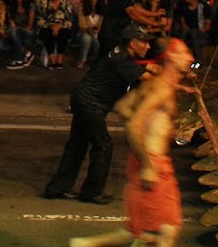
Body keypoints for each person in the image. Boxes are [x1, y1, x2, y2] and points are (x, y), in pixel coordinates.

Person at [70, 36, 194, 247]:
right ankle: (87, 245)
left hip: (151, 160)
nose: (190, 58)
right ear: (171, 56)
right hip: (152, 163)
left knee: (160, 229)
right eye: (184, 53)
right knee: (154, 230)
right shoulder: (160, 89)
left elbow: (123, 106)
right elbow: (134, 124)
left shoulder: (157, 86)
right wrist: (148, 163)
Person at [42, 24, 152, 204]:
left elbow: (147, 68)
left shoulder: (121, 54)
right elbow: (147, 77)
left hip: (85, 101)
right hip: (90, 104)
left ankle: (57, 188)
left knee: (77, 145)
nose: (148, 46)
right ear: (133, 43)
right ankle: (91, 192)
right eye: (144, 42)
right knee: (103, 145)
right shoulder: (121, 60)